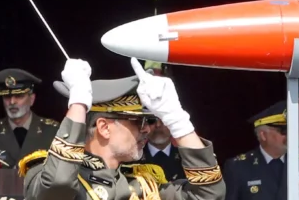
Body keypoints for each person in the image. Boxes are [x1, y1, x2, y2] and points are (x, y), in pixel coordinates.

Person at [21, 58, 225, 200]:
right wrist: (79, 103)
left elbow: (209, 194)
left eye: (148, 122)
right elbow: (59, 184)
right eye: (138, 122)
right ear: (104, 127)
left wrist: (178, 120)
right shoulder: (46, 172)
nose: (147, 130)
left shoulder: (145, 183)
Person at [222, 101, 299, 200]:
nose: (289, 136)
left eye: (291, 130)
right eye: (283, 131)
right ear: (263, 135)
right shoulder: (238, 168)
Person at [0, 68, 59, 166]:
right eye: (7, 97)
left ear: (32, 99)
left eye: (19, 96)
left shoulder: (52, 131)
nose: (12, 102)